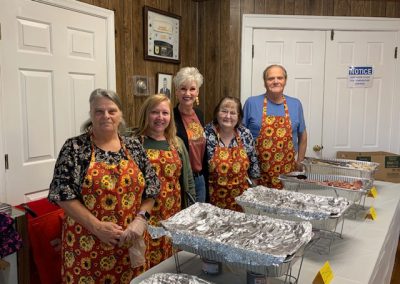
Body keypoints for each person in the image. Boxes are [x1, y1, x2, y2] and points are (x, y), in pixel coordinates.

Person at [48, 88, 160, 283]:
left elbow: (152, 188)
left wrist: (141, 219)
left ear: (120, 114)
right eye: (99, 111)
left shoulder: (134, 146)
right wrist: (97, 227)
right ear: (91, 114)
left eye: (112, 111)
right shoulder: (75, 148)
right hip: (87, 248)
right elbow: (62, 194)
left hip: (130, 244)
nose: (106, 116)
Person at [133, 94, 195, 268]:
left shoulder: (176, 143)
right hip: (143, 213)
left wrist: (190, 211)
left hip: (171, 213)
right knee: (145, 261)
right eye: (155, 112)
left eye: (165, 113)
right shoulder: (134, 142)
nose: (160, 117)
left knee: (169, 261)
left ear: (170, 117)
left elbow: (188, 179)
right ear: (146, 114)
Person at [243, 64, 307, 189]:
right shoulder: (251, 103)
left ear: (285, 80)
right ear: (264, 82)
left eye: (280, 78)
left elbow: (303, 136)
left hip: (287, 172)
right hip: (257, 171)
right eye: (271, 78)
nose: (276, 81)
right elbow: (239, 136)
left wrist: (299, 161)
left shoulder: (295, 104)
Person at [205, 97, 260, 211]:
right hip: (213, 201)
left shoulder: (245, 134)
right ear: (217, 113)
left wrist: (251, 196)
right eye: (224, 111)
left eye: (233, 113)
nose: (228, 116)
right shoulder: (206, 133)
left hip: (241, 199)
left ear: (239, 117)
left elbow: (254, 165)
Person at [173, 67, 207, 202]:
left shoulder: (199, 114)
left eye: (192, 89)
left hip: (200, 179)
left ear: (197, 91)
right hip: (182, 179)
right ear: (176, 92)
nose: (188, 93)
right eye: (183, 88)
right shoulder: (170, 117)